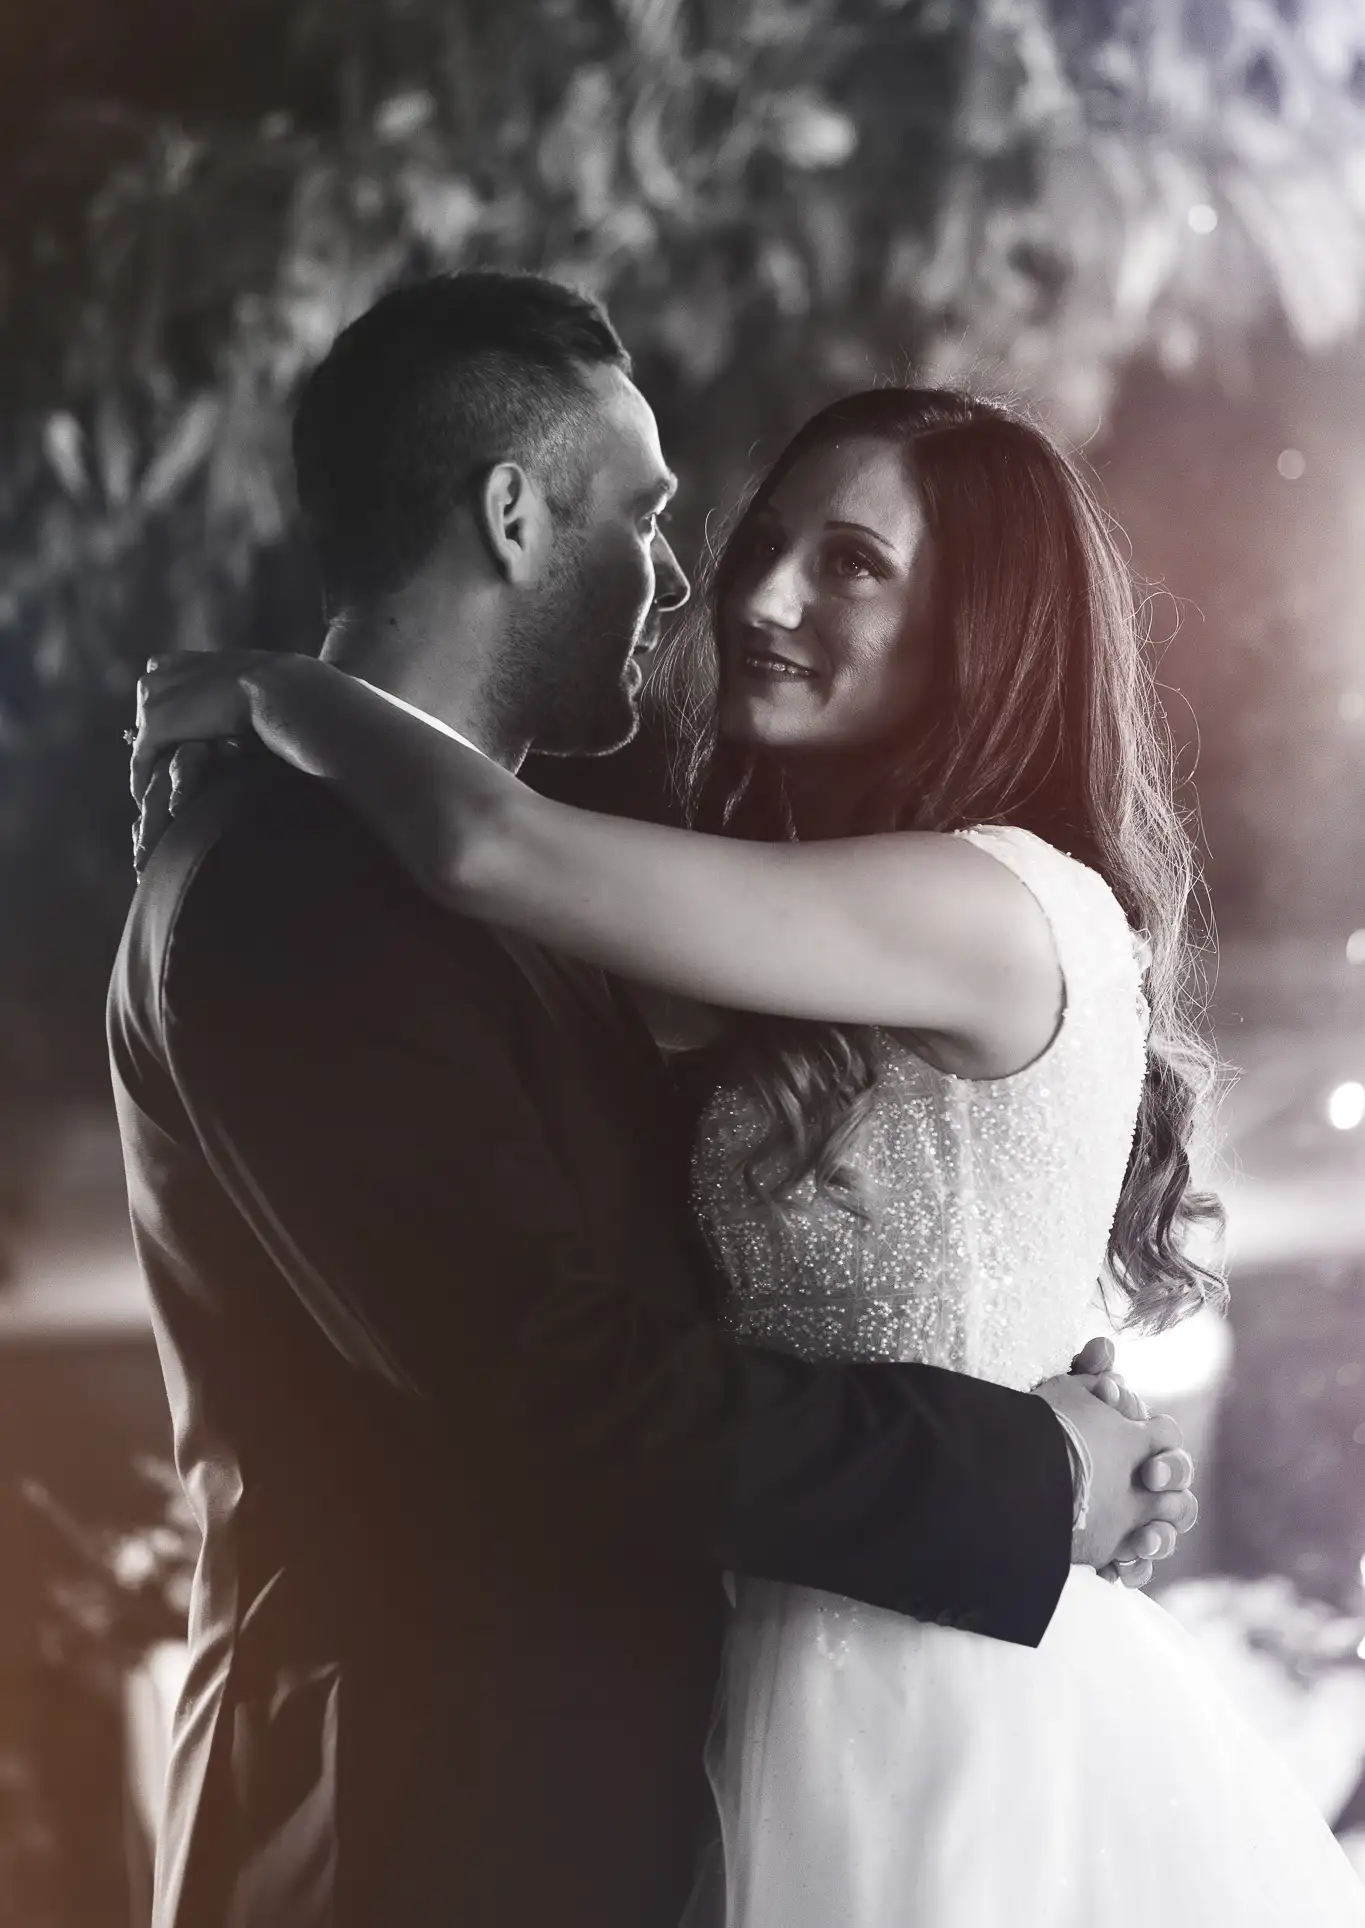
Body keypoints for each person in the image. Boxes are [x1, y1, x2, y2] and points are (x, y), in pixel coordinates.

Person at [114, 273, 1198, 1928]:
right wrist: (1026, 1466)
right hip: (416, 1832)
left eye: (851, 562)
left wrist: (1039, 1406)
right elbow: (550, 1375)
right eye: (654, 519)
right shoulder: (310, 878)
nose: (706, 584)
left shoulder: (541, 884)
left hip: (812, 1744)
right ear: (514, 515)